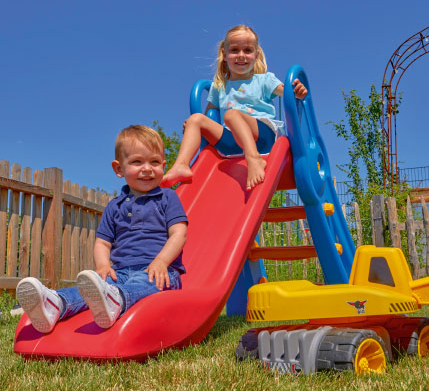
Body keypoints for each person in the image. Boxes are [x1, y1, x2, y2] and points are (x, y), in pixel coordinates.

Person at [16, 125, 188, 333]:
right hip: (121, 271)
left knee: (144, 283)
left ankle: (117, 300)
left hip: (160, 272)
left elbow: (179, 233)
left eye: (154, 162)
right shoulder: (115, 206)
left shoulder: (168, 197)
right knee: (94, 285)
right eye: (137, 162)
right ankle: (56, 304)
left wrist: (161, 262)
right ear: (119, 169)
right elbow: (103, 242)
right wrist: (103, 265)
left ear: (163, 165)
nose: (147, 168)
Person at [161, 24, 308, 191]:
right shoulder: (219, 86)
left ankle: (253, 158)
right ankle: (181, 165)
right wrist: (194, 127)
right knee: (196, 119)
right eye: (234, 50)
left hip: (263, 137)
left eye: (247, 50)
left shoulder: (264, 80)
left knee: (231, 115)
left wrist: (298, 91)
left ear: (256, 54)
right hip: (232, 142)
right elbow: (208, 115)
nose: (241, 55)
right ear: (224, 55)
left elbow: (289, 93)